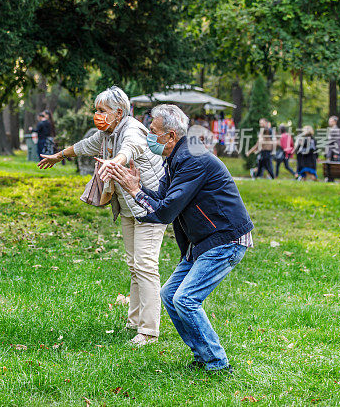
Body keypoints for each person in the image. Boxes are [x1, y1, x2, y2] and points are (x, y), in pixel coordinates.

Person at [104, 104, 253, 373]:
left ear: (171, 136)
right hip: (204, 242)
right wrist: (136, 187)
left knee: (185, 299)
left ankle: (217, 364)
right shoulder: (175, 160)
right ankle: (202, 356)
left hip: (225, 239)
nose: (149, 135)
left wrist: (135, 190)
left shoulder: (192, 160)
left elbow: (166, 211)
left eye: (153, 131)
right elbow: (162, 200)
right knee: (170, 295)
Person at [38, 86, 166, 346]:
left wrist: (112, 163)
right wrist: (59, 156)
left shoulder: (131, 130)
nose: (96, 115)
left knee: (145, 266)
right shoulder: (107, 133)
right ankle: (135, 322)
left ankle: (149, 331)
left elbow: (128, 150)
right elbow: (86, 145)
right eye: (96, 110)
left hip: (150, 206)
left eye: (101, 111)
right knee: (134, 266)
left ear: (118, 113)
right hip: (130, 206)